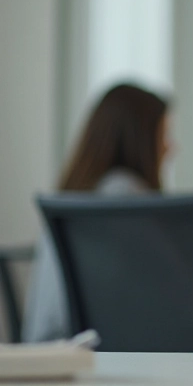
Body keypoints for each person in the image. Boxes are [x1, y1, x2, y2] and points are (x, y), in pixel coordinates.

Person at [22, 83, 172, 342]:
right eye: (163, 135)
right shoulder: (126, 198)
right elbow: (173, 288)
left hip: (49, 348)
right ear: (141, 138)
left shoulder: (73, 200)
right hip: (98, 352)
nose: (171, 147)